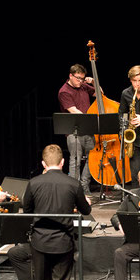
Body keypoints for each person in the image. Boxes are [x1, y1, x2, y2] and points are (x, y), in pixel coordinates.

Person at [23, 144, 91, 280]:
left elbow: (26, 211)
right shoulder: (73, 183)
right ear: (62, 162)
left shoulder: (34, 183)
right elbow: (86, 210)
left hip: (39, 241)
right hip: (63, 242)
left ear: (43, 163)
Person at [57, 63, 97, 195]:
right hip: (73, 132)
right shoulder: (64, 91)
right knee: (76, 161)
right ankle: (74, 190)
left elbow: (99, 93)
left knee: (93, 158)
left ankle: (84, 184)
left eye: (82, 78)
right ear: (70, 75)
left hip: (88, 129)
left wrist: (94, 82)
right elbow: (73, 110)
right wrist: (90, 120)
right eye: (78, 78)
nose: (80, 81)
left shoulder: (84, 86)